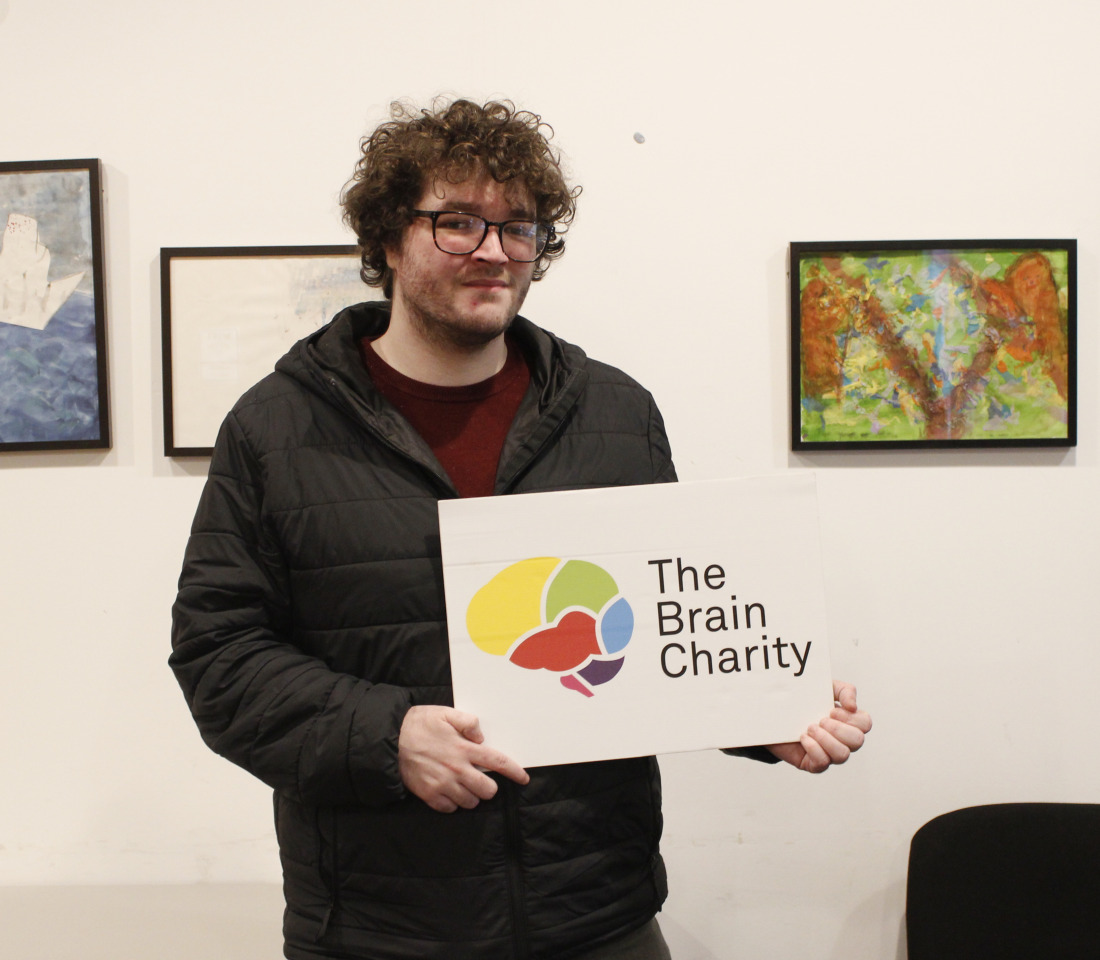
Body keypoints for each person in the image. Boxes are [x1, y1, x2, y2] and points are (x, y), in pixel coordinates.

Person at [169, 98, 872, 960]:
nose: (494, 251)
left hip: (596, 914)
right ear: (389, 239)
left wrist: (761, 706)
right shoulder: (275, 428)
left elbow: (656, 625)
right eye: (457, 222)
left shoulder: (615, 411)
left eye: (519, 227)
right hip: (378, 928)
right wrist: (384, 734)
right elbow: (220, 654)